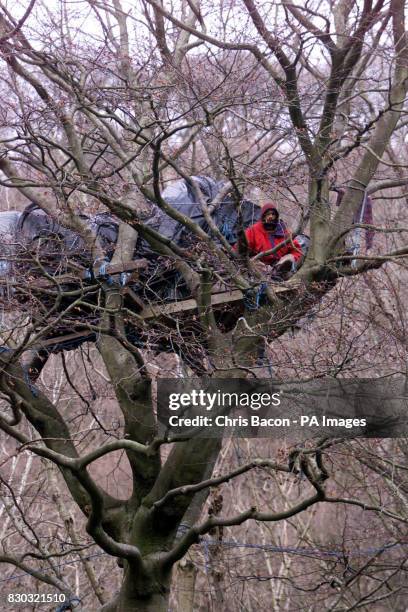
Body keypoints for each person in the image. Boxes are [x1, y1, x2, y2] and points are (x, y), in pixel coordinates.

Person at [235, 203, 303, 278]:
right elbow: (242, 246)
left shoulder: (284, 231)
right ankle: (270, 274)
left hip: (280, 263)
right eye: (268, 214)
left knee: (289, 259)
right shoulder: (254, 230)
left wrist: (291, 258)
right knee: (253, 263)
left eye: (273, 214)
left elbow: (296, 250)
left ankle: (279, 271)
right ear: (263, 216)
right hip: (261, 264)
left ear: (276, 216)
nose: (270, 216)